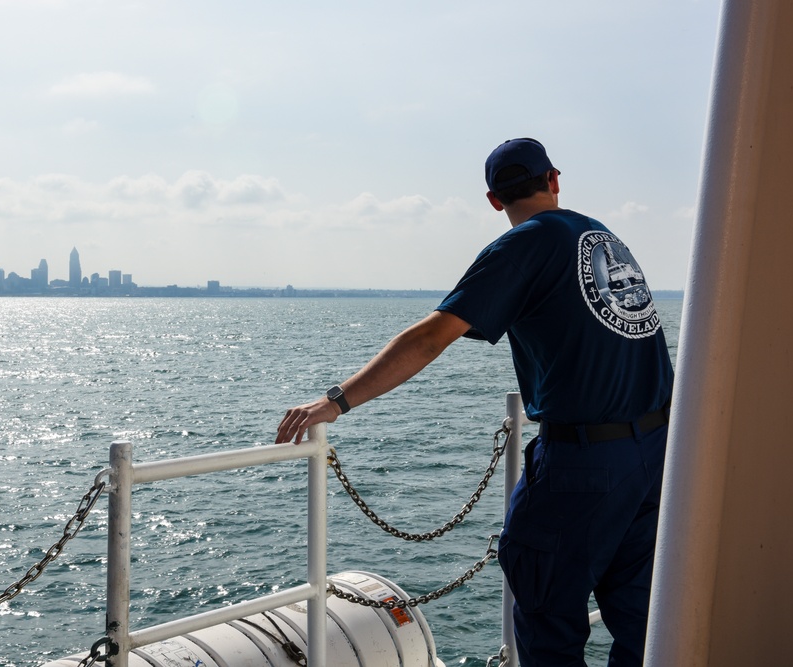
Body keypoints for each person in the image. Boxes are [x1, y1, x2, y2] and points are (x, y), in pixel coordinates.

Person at [276, 138, 674, 667]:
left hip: (585, 464)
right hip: (655, 452)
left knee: (547, 614)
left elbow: (431, 337)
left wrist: (335, 401)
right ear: (553, 180)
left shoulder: (526, 244)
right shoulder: (604, 239)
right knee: (641, 619)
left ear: (493, 201)